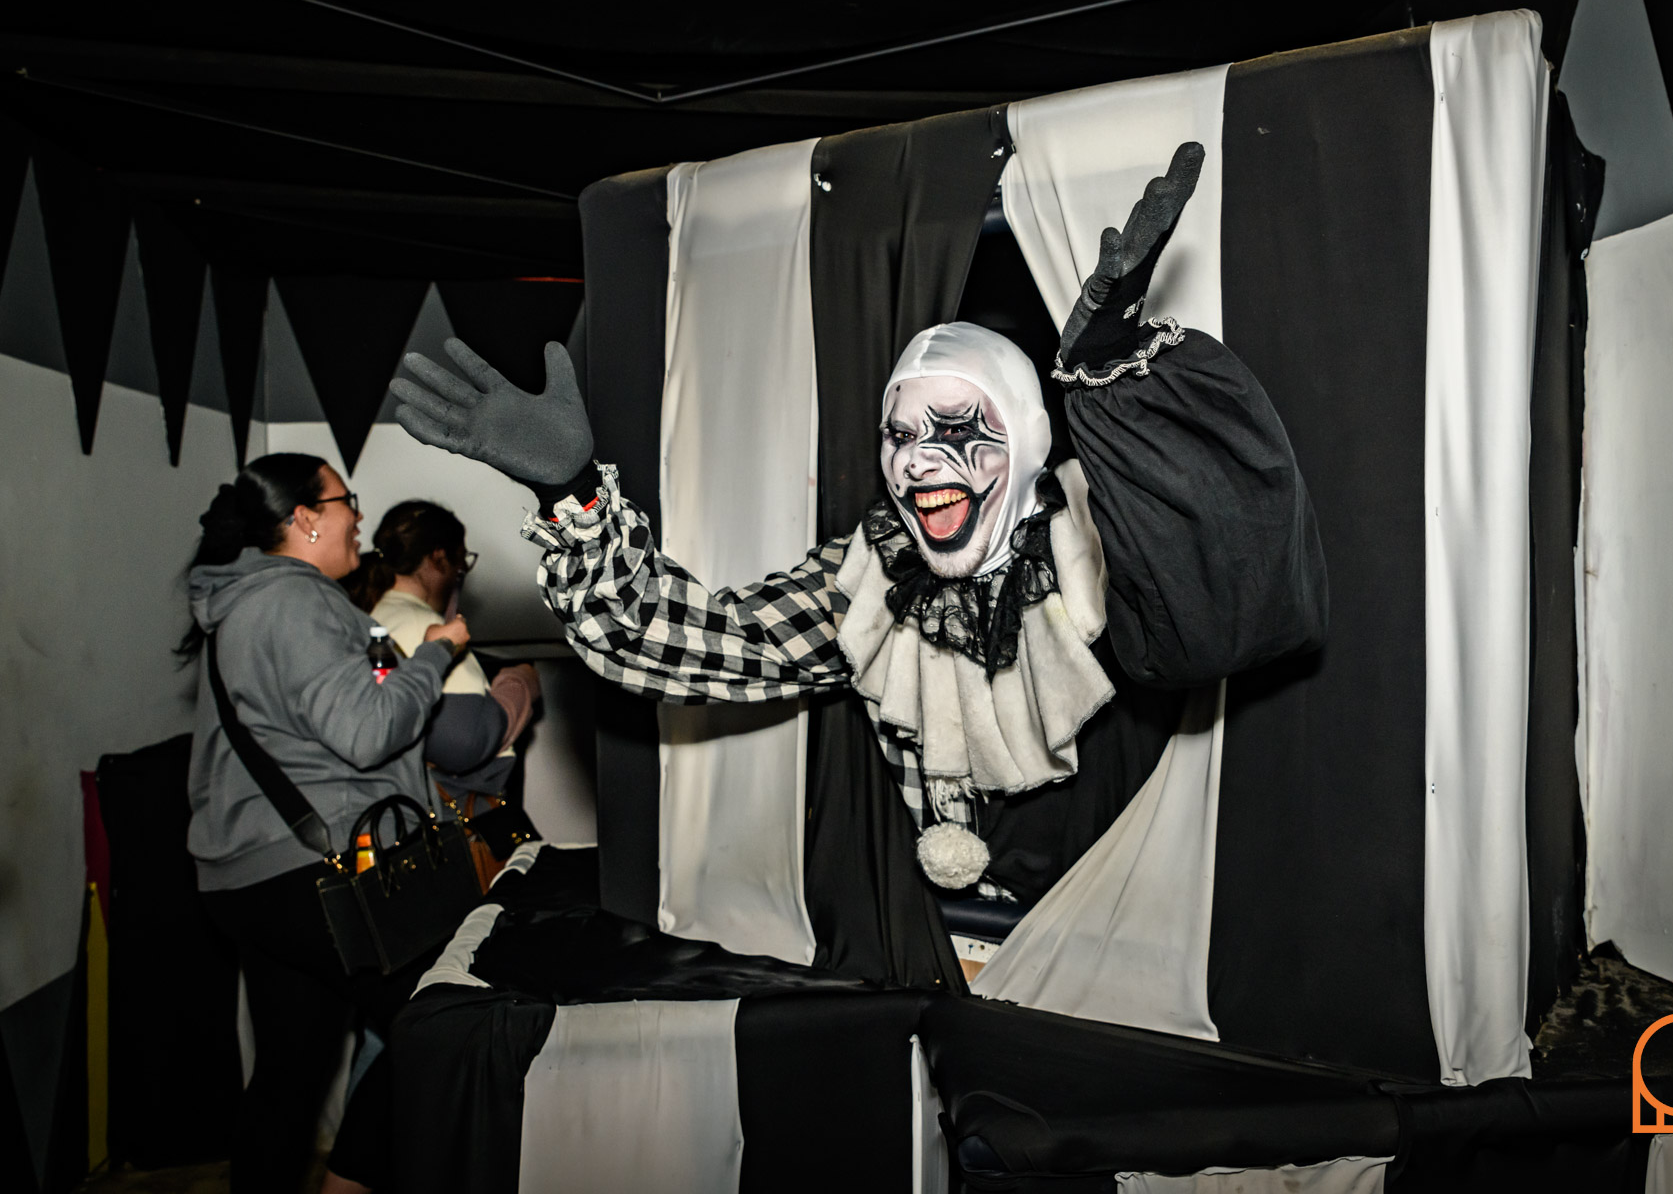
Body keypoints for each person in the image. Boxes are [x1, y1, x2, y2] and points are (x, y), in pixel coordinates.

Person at [390, 143, 1326, 894]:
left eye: (957, 427)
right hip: (956, 943)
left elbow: (1229, 602)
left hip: (1125, 927)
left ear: (1030, 438)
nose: (918, 460)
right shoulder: (873, 578)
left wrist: (1121, 382)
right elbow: (679, 643)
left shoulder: (1100, 546)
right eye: (900, 434)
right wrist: (573, 495)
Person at [181, 454, 468, 1194]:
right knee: (446, 1026)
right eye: (347, 502)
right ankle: (350, 1184)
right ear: (305, 518)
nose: (359, 518)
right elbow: (366, 730)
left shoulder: (249, 601)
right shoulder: (291, 600)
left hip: (257, 878)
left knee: (290, 1073)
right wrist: (435, 655)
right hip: (311, 875)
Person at [347, 500, 540, 874]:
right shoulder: (427, 628)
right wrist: (520, 683)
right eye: (460, 561)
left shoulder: (369, 620)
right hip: (458, 827)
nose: (459, 574)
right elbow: (466, 741)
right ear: (438, 558)